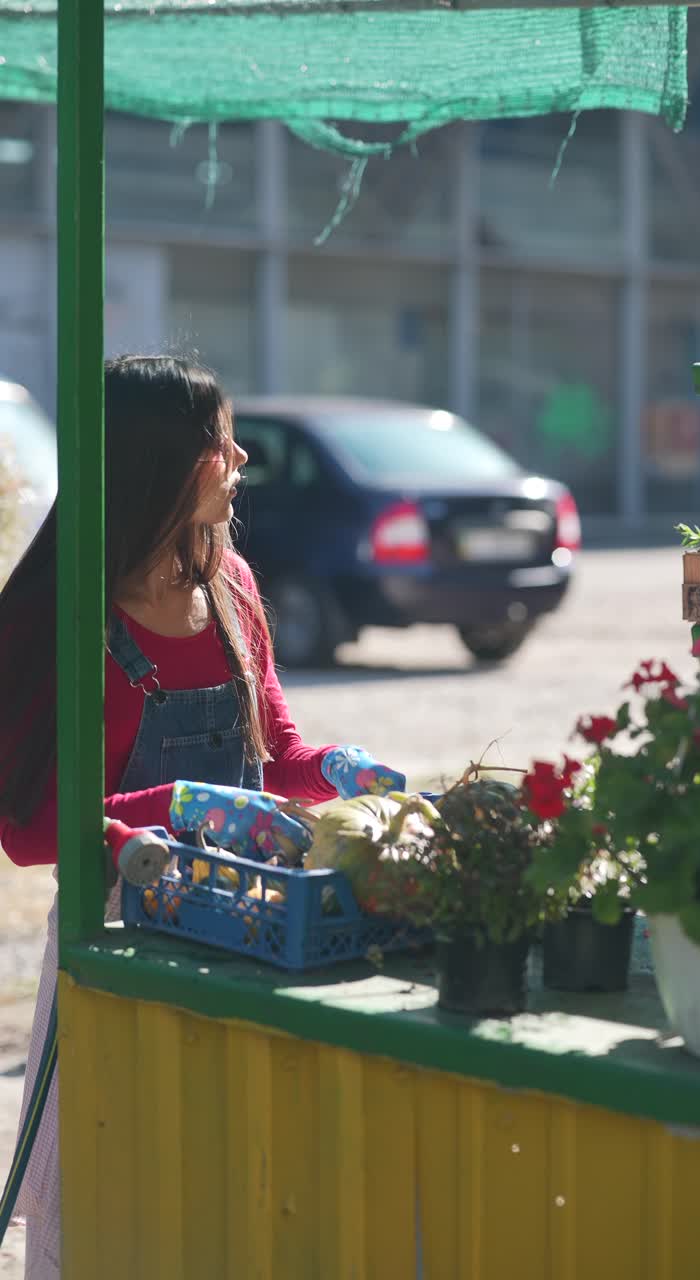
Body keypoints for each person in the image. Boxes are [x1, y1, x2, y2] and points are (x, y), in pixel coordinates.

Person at [0, 354, 405, 1279]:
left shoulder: (233, 588)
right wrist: (178, 806)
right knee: (113, 1226)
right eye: (221, 443)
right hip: (115, 960)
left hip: (248, 940)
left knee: (229, 1220)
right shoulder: (56, 617)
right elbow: (27, 831)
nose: (239, 461)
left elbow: (278, 752)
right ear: (165, 462)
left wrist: (338, 772)